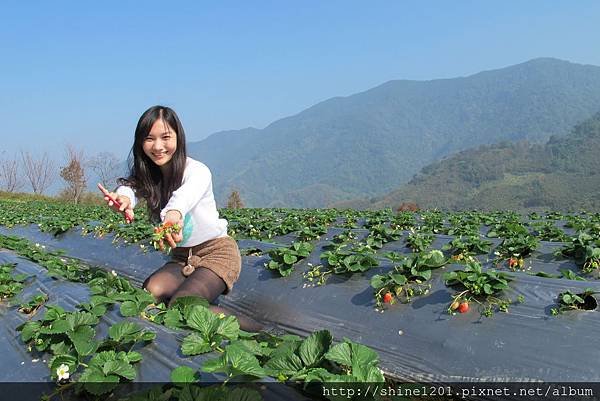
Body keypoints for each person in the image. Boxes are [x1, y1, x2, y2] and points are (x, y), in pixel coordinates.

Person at [103, 105, 261, 331]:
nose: (158, 146)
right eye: (149, 138)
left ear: (178, 137)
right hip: (181, 257)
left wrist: (173, 216)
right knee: (151, 291)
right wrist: (124, 198)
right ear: (140, 143)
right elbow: (130, 187)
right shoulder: (148, 175)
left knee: (183, 306)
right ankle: (190, 306)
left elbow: (182, 199)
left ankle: (259, 332)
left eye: (165, 137)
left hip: (216, 253)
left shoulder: (197, 171)